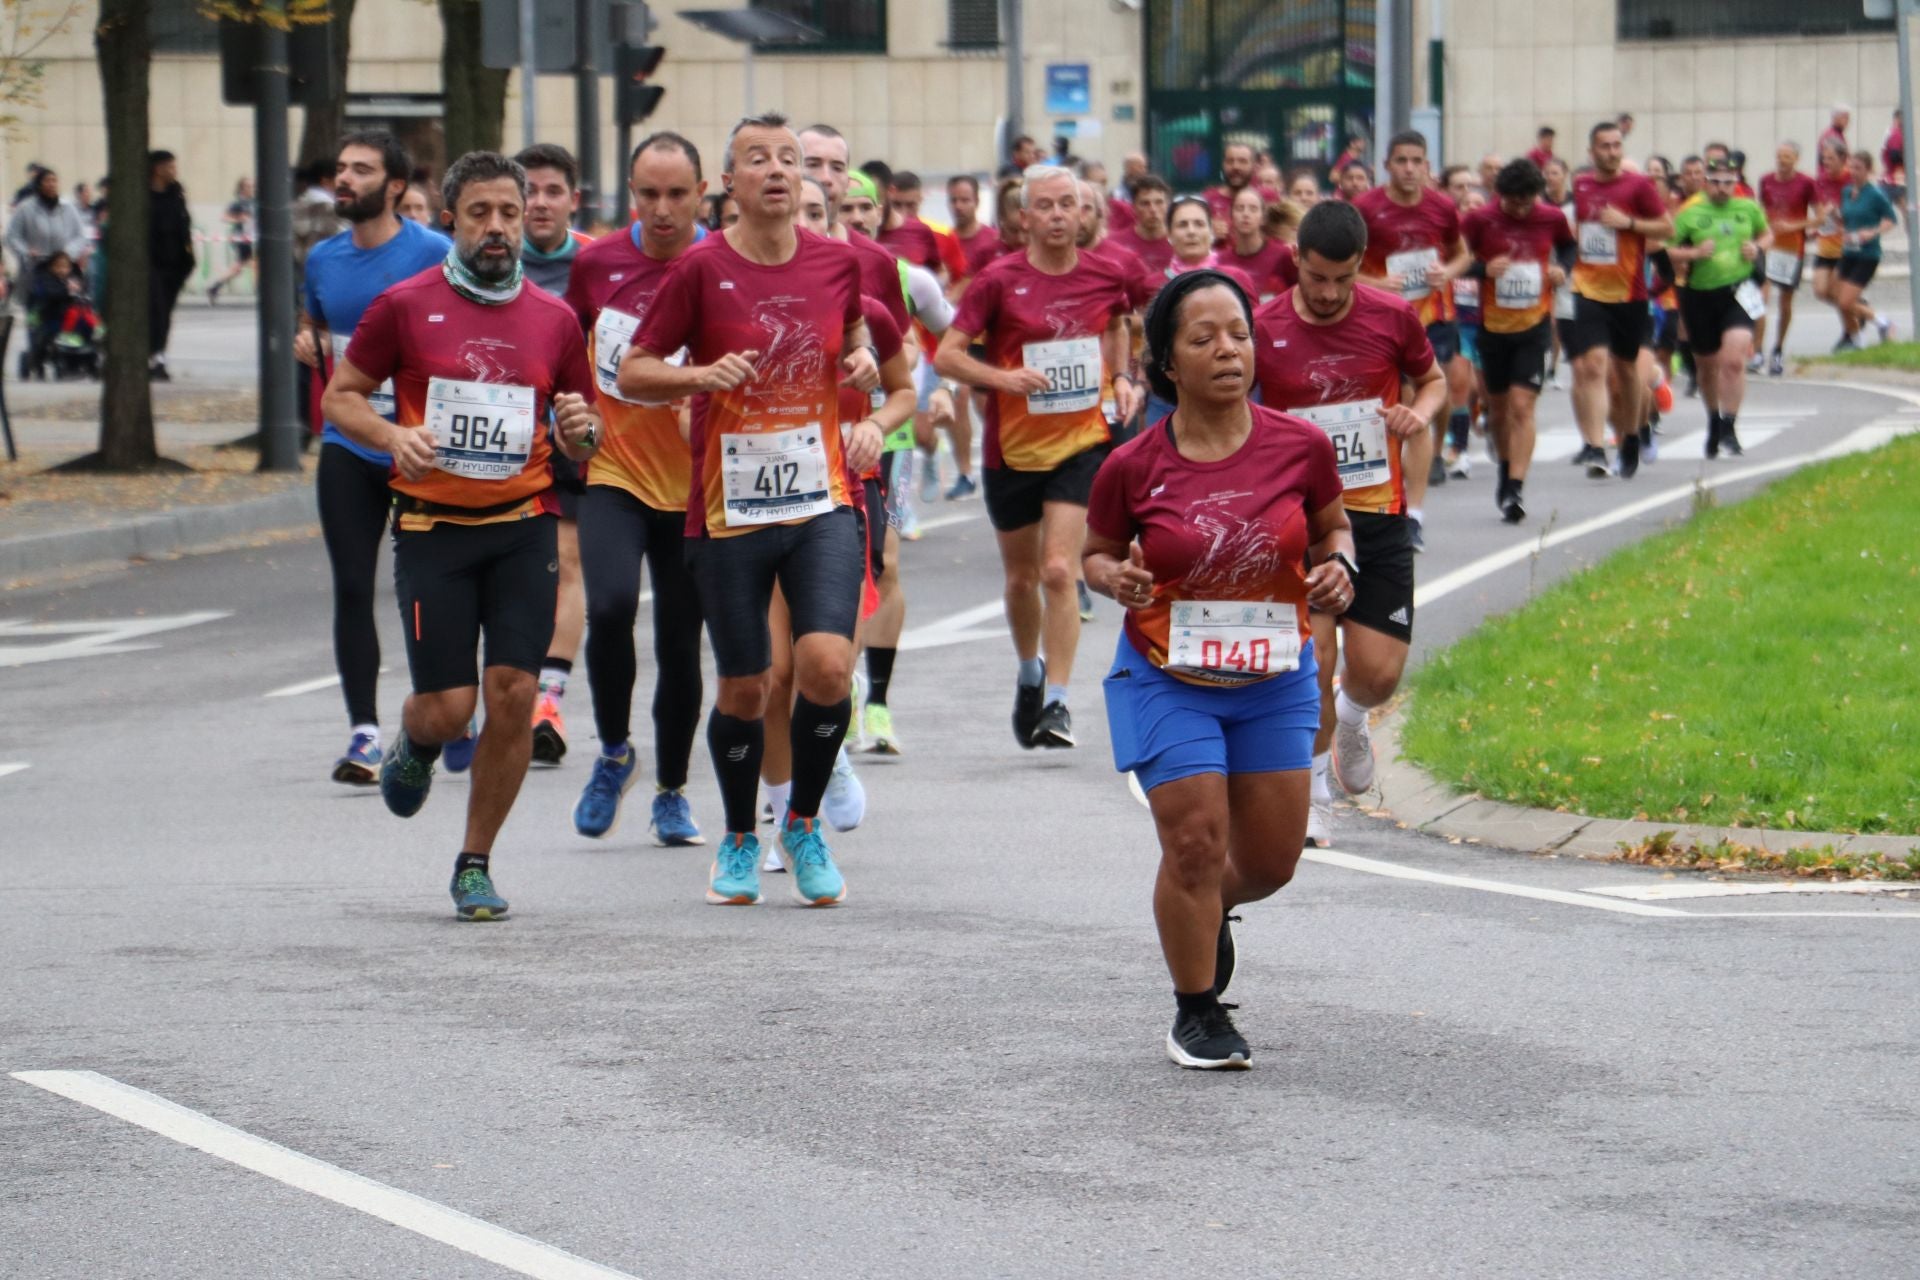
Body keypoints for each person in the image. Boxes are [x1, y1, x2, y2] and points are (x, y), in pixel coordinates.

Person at [621, 111, 910, 908]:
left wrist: (858, 369)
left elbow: (860, 348)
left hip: (821, 499)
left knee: (825, 666)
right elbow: (636, 371)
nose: (778, 170)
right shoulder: (699, 271)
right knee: (747, 687)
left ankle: (804, 824)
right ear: (730, 185)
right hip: (728, 510)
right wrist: (699, 378)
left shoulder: (835, 263)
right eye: (758, 159)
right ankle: (740, 835)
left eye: (789, 159)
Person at [1084, 269, 1355, 1070]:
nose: (1226, 350)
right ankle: (1196, 1012)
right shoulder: (1132, 466)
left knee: (1270, 861)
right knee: (1196, 841)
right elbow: (1093, 554)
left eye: (1237, 333)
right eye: (1202, 339)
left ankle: (1207, 914)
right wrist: (1114, 579)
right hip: (1168, 674)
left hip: (1273, 677)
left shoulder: (1301, 446)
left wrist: (1342, 571)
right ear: (1167, 362)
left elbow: (1335, 529)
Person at [321, 150, 601, 922]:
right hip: (434, 529)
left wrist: (582, 430)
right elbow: (341, 398)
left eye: (509, 213)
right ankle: (414, 742)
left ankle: (475, 861)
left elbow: (583, 429)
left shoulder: (554, 320)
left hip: (523, 528)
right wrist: (389, 435)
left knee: (511, 694)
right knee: (448, 710)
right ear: (451, 219)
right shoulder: (405, 306)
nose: (498, 227)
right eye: (480, 213)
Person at [1251, 201, 1443, 847]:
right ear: (1297, 263)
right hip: (1300, 521)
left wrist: (1418, 414)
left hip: (1376, 514)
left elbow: (1433, 379)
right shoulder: (1264, 325)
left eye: (1344, 278)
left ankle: (1355, 719)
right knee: (1317, 657)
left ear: (1363, 266)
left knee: (1379, 671)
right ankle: (1314, 797)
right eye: (1316, 278)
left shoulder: (1391, 316)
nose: (1330, 293)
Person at [935, 165, 1142, 750]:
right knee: (1022, 577)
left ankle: (1057, 701)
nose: (1056, 215)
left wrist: (1122, 377)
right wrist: (1003, 378)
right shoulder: (997, 281)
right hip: (1013, 451)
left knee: (1058, 569)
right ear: (1024, 218)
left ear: (1083, 214)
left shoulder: (1107, 272)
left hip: (1082, 443)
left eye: (1066, 205)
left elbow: (1119, 322)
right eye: (1044, 206)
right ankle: (1029, 670)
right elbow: (949, 358)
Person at [563, 130, 712, 849]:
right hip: (615, 470)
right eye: (648, 194)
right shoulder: (596, 266)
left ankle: (672, 791)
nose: (662, 210)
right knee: (611, 605)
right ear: (631, 195)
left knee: (682, 644)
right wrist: (572, 412)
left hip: (697, 484)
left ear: (701, 195)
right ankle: (616, 751)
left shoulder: (722, 264)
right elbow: (570, 354)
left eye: (676, 195)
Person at [297, 129, 455, 784]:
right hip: (350, 443)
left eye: (361, 170)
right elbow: (322, 328)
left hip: (420, 446)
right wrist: (307, 341)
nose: (345, 178)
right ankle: (363, 731)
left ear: (395, 186)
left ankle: (446, 708)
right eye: (341, 168)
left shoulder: (436, 253)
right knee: (352, 585)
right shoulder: (323, 260)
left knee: (432, 588)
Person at [507, 142, 596, 766]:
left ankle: (547, 699)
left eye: (551, 192)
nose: (539, 203)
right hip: (500, 435)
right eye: (528, 193)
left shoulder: (596, 262)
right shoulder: (488, 258)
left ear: (573, 199)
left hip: (567, 430)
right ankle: (494, 688)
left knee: (567, 560)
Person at [1353, 130, 1465, 546]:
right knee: (1400, 408)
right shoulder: (1366, 209)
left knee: (1431, 400)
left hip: (1432, 317)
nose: (1409, 169)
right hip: (1383, 322)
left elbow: (1462, 253)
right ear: (1386, 166)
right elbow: (1343, 268)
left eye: (1417, 161)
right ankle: (1399, 505)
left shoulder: (1442, 207)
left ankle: (1414, 511)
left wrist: (1446, 274)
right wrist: (1376, 284)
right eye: (1401, 160)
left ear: (1427, 166)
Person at [1464, 158, 1574, 523]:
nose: (1521, 210)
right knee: (1498, 409)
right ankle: (1505, 464)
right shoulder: (1481, 220)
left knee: (1522, 406)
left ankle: (1515, 488)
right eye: (1514, 203)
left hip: (1535, 324)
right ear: (1500, 196)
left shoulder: (1551, 218)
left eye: (1527, 202)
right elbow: (1454, 259)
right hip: (1493, 327)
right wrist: (1482, 269)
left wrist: (1562, 270)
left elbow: (1569, 248)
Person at [1566, 119, 1671, 479]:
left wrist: (1629, 224)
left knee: (1627, 372)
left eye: (1616, 146)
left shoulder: (1638, 186)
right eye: (1605, 146)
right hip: (1587, 288)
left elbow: (1666, 228)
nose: (1612, 152)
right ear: (1591, 151)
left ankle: (1629, 437)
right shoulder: (1580, 185)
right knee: (1593, 365)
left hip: (1628, 293)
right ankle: (1596, 447)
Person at [1668, 157, 1771, 460]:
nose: (1722, 188)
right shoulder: (1690, 213)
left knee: (1734, 358)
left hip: (1738, 292)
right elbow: (1666, 250)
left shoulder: (1747, 207)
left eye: (1728, 182)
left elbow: (1767, 233)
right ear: (1705, 182)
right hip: (1699, 296)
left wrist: (1758, 247)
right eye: (1716, 182)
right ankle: (1714, 418)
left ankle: (1730, 425)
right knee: (1706, 366)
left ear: (1736, 181)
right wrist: (1695, 252)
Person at [1756, 142, 1816, 378]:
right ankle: (1757, 351)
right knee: (1761, 299)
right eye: (1779, 156)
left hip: (1792, 249)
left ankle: (1778, 349)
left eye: (1787, 156)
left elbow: (1819, 217)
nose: (1782, 160)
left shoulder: (1806, 183)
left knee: (1785, 302)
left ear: (1796, 159)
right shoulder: (1766, 180)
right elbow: (1761, 209)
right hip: (1769, 245)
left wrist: (1794, 225)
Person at [1835, 150, 1899, 348]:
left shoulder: (1876, 194)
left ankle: (1883, 323)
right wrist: (1834, 220)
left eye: (1858, 168)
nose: (1854, 172)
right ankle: (1857, 340)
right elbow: (1846, 219)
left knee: (1846, 302)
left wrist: (1872, 232)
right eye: (1851, 167)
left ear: (1868, 170)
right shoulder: (1847, 192)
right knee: (1840, 300)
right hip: (1848, 251)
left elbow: (1891, 220)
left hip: (1867, 254)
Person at [146, 150, 194, 381]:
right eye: (169, 166)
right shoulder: (144, 196)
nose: (174, 170)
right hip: (151, 263)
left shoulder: (176, 194)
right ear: (157, 168)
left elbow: (184, 226)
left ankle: (159, 357)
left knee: (165, 313)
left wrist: (188, 259)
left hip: (174, 264)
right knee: (156, 311)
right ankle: (153, 356)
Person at [1224, 184, 1295, 299]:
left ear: (1263, 218)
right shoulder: (1222, 259)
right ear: (1231, 216)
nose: (1246, 214)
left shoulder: (1283, 255)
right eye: (1240, 208)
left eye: (1253, 209)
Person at [1203, 141, 1278, 241]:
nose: (1235, 167)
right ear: (1223, 164)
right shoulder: (1208, 199)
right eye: (1230, 161)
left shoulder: (1268, 197)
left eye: (1242, 161)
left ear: (1254, 166)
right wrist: (1208, 232)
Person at [1108, 173, 1174, 276]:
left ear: (1168, 205)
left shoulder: (1179, 242)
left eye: (1159, 202)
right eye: (1145, 203)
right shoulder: (1115, 243)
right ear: (1133, 207)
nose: (1153, 209)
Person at [207, 177, 256, 304]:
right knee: (255, 265)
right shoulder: (239, 203)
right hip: (241, 239)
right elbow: (224, 217)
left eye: (253, 186)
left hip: (250, 238)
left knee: (238, 268)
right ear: (242, 188)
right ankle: (263, 294)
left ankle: (215, 286)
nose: (252, 189)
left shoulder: (253, 202)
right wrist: (239, 219)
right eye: (249, 186)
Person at [947, 173, 1000, 277]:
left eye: (965, 200)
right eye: (953, 200)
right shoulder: (943, 240)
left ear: (977, 202)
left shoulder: (995, 239)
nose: (958, 206)